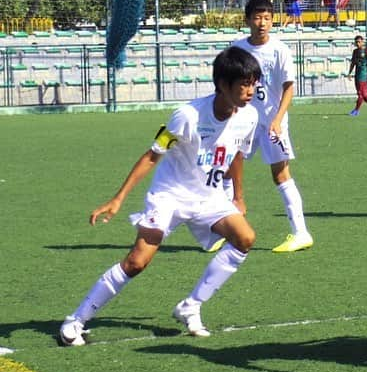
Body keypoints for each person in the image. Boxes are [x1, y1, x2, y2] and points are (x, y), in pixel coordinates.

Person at [58, 47, 262, 346]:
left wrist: (239, 196)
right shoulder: (187, 116)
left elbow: (237, 155)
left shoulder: (250, 116)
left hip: (209, 196)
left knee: (244, 239)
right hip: (170, 195)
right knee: (137, 262)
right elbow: (152, 156)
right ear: (222, 84)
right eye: (243, 83)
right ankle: (75, 321)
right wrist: (118, 199)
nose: (250, 90)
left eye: (253, 82)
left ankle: (190, 306)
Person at [231, 0, 314, 253]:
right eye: (257, 17)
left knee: (280, 174)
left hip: (271, 123)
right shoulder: (236, 49)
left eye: (267, 18)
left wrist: (277, 120)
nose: (262, 23)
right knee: (226, 168)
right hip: (242, 121)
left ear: (273, 20)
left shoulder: (280, 50)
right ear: (247, 20)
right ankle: (225, 230)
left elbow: (289, 87)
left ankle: (301, 233)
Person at [346, 35, 367, 116]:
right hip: (357, 75)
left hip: (363, 75)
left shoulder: (366, 51)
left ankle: (356, 111)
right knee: (363, 94)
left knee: (361, 94)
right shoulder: (355, 52)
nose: (357, 43)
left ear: (362, 42)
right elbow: (353, 63)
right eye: (356, 42)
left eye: (359, 42)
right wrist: (349, 73)